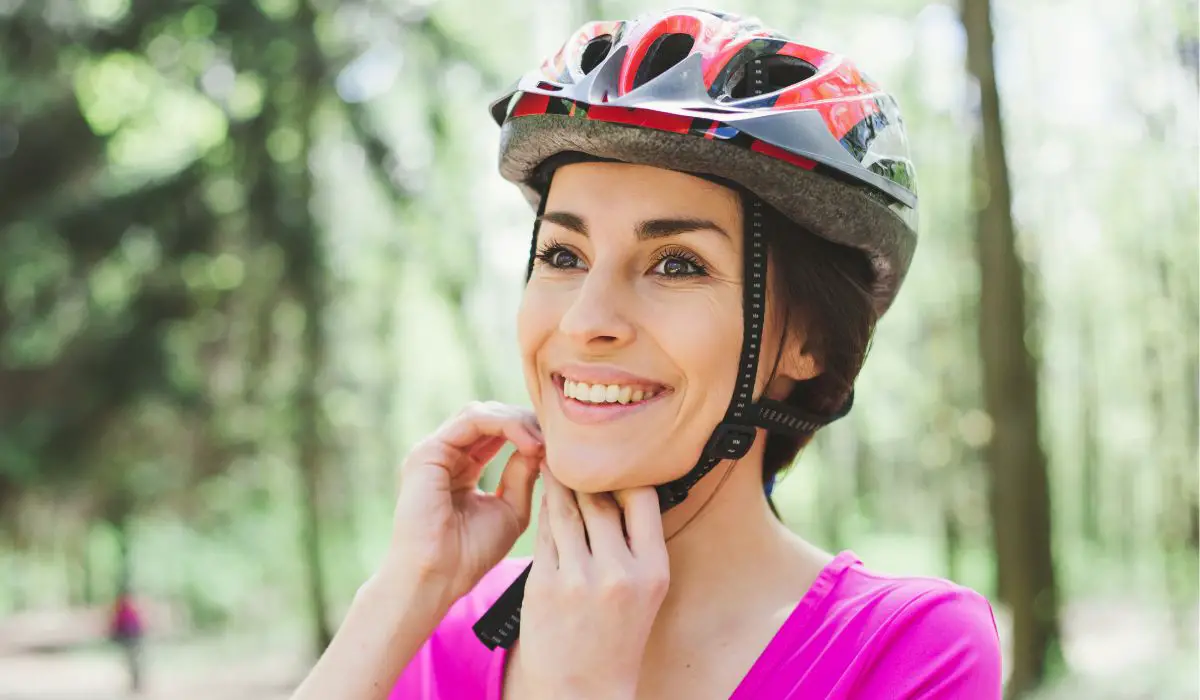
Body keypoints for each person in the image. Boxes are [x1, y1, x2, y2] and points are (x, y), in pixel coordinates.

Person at [290, 8, 1002, 699]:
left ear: (809, 341)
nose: (586, 319)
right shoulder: (453, 632)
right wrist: (406, 589)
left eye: (677, 265)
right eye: (563, 253)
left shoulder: (903, 649)